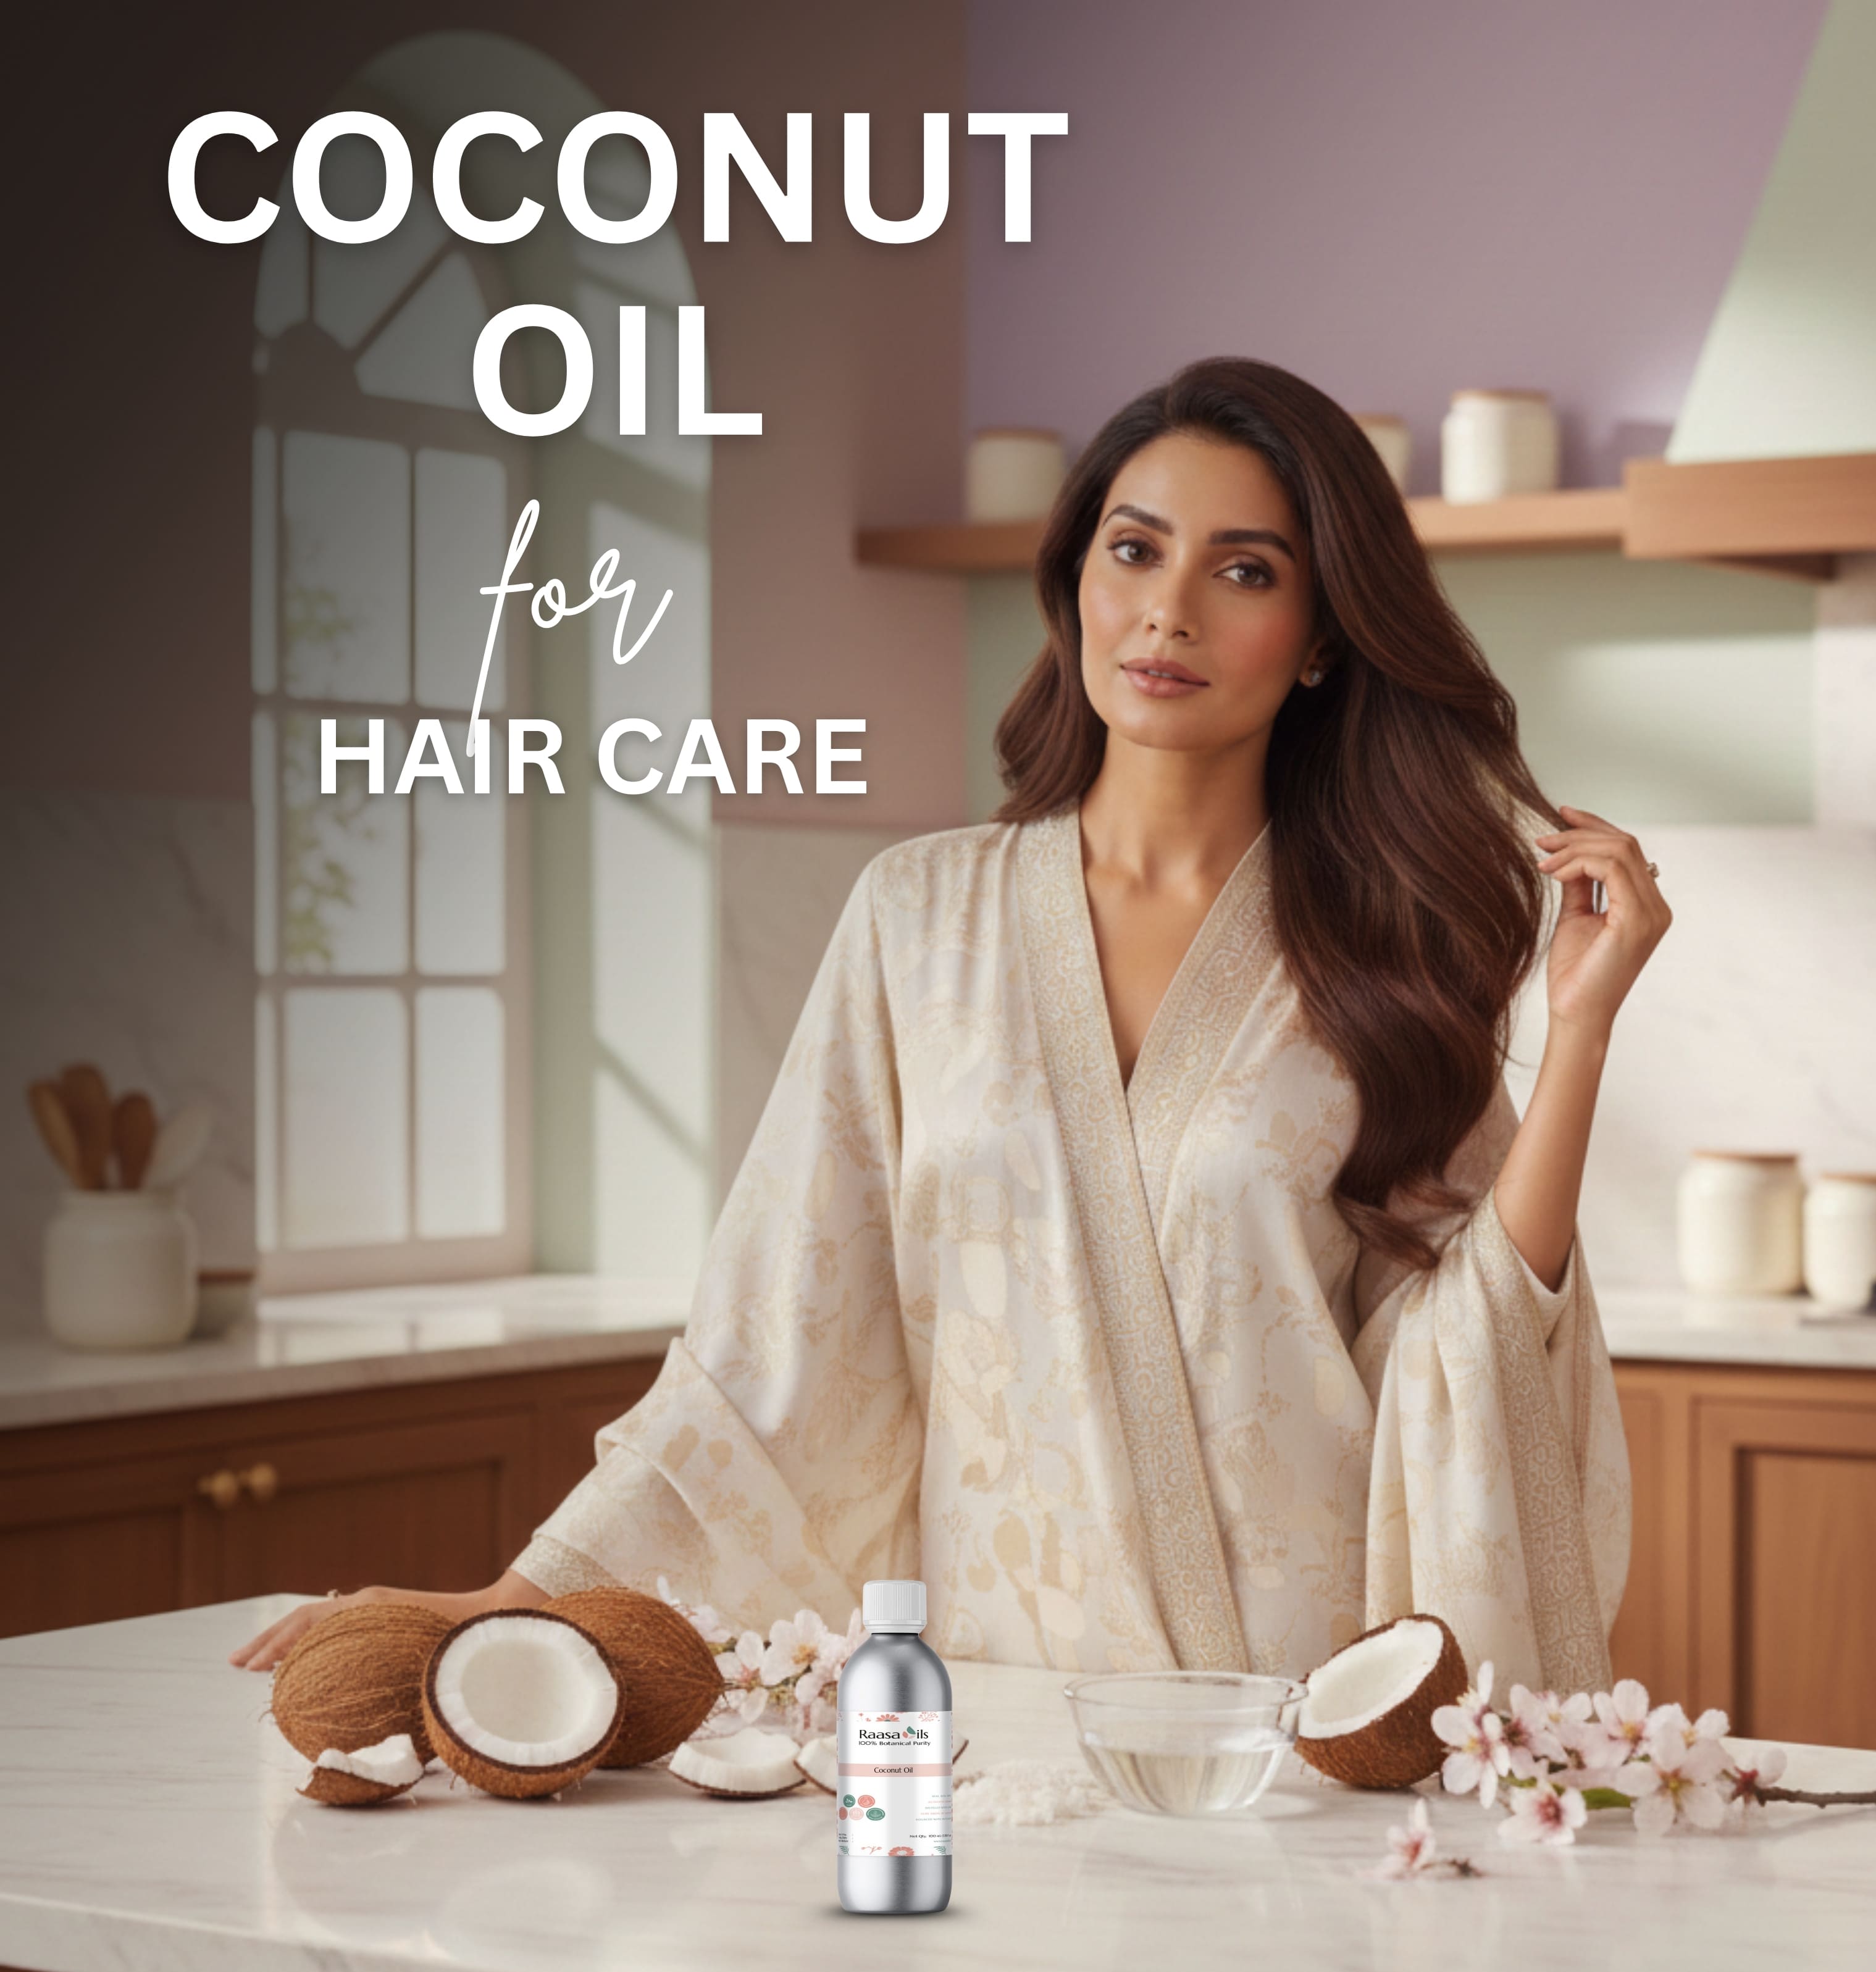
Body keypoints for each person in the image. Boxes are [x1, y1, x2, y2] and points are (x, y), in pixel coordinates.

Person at [234, 357, 1667, 1695]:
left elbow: (1466, 1341)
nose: (1168, 610)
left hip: (1283, 1716)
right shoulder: (917, 920)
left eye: (1244, 570)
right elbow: (776, 1350)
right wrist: (513, 1597)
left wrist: (1582, 1035)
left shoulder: (1378, 946)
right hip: (1005, 1710)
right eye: (1133, 547)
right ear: (1074, 581)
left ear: (1315, 642)